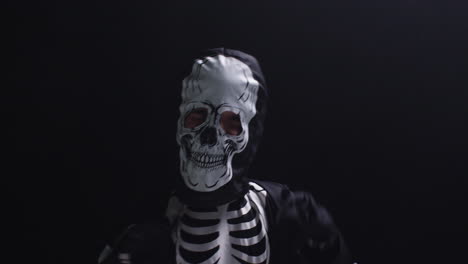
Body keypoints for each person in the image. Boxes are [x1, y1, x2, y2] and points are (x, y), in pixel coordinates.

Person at [98, 48, 353, 264]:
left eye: (231, 122)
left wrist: (328, 247)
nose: (210, 137)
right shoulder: (148, 215)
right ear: (178, 120)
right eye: (197, 115)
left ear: (251, 130)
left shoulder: (281, 207)